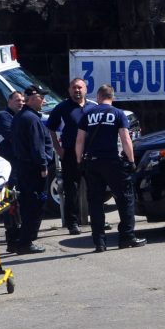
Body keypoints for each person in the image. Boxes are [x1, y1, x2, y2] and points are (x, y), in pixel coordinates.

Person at [76, 84, 146, 252]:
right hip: (113, 162)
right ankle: (127, 237)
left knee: (95, 202)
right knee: (125, 199)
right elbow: (125, 138)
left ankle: (99, 242)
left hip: (93, 162)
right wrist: (131, 160)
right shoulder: (118, 114)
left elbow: (79, 140)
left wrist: (79, 161)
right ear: (112, 97)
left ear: (99, 97)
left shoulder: (88, 114)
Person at [46, 78, 96, 235]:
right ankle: (72, 223)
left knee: (95, 189)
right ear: (69, 90)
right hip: (70, 155)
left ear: (86, 90)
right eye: (74, 87)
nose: (77, 90)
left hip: (90, 155)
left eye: (80, 87)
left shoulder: (93, 107)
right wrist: (58, 149)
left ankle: (97, 220)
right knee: (71, 190)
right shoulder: (62, 107)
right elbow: (51, 128)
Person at [11, 85, 53, 254]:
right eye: (41, 97)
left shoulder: (21, 116)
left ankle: (22, 240)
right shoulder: (30, 118)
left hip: (24, 167)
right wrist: (43, 166)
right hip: (33, 169)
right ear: (32, 98)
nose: (44, 100)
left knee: (28, 204)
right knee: (34, 205)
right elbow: (37, 147)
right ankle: (26, 242)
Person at [0, 90, 24, 252]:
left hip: (19, 167)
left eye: (22, 100)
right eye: (17, 100)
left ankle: (19, 236)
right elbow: (13, 136)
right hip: (7, 168)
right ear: (9, 101)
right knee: (10, 203)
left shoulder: (19, 117)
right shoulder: (3, 117)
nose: (21, 103)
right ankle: (12, 240)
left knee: (18, 203)